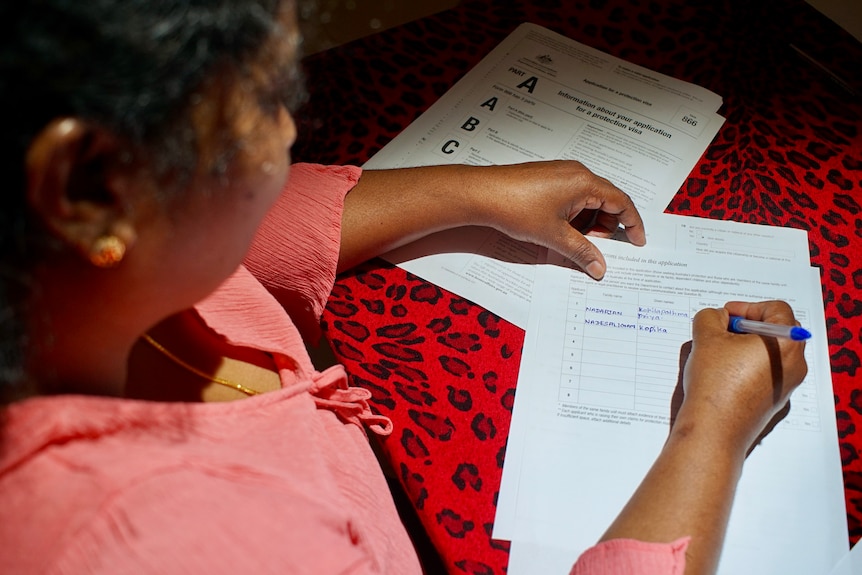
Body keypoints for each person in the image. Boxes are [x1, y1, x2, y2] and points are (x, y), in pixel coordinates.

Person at [0, 1, 807, 574]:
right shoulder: (187, 540)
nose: (287, 130)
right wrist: (710, 428)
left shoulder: (73, 281)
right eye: (260, 99)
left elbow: (242, 237)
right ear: (91, 186)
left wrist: (469, 191)